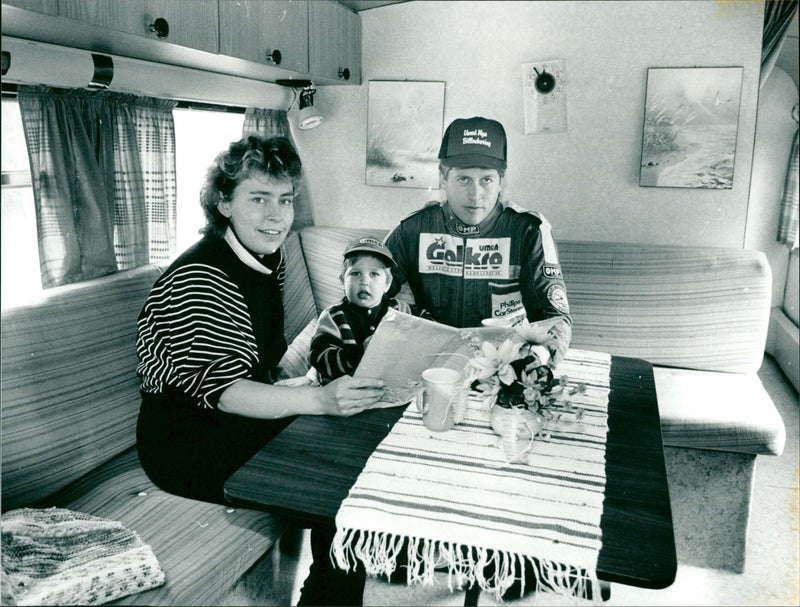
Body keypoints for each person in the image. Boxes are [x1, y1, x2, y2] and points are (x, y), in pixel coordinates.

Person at [135, 135, 381, 606]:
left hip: (234, 421)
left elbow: (257, 363)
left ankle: (329, 592)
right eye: (259, 199)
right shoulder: (200, 277)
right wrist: (318, 399)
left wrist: (303, 390)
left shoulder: (267, 258)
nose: (276, 215)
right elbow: (226, 392)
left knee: (352, 459)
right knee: (343, 498)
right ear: (224, 203)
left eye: (285, 200)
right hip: (186, 442)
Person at [384, 116, 572, 367]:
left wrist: (538, 361)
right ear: (443, 177)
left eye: (486, 180)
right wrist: (405, 323)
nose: (475, 194)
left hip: (505, 367)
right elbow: (368, 294)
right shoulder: (413, 229)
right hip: (433, 364)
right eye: (463, 179)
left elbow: (554, 318)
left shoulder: (528, 231)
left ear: (501, 182)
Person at [310, 237, 412, 385]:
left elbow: (424, 329)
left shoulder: (400, 310)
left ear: (387, 284)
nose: (364, 281)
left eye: (374, 274)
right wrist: (362, 353)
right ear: (342, 282)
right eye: (355, 273)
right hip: (345, 393)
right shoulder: (333, 316)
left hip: (389, 388)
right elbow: (319, 358)